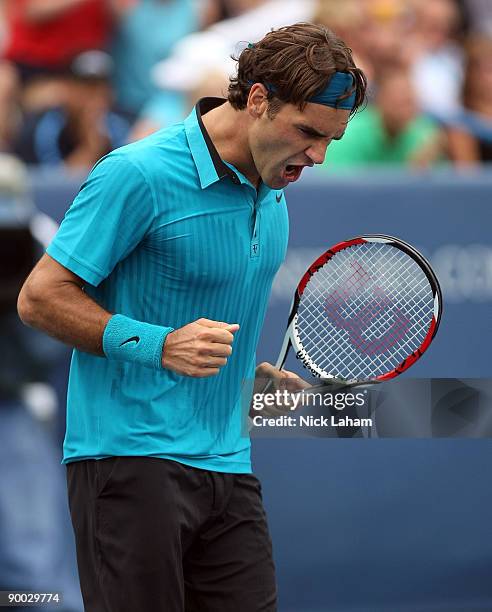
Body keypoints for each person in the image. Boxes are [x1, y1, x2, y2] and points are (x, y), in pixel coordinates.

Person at [17, 22, 366, 612]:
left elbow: (193, 320)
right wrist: (158, 345)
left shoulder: (273, 188)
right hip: (129, 463)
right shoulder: (138, 173)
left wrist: (244, 374)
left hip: (228, 466)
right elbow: (40, 297)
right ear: (257, 100)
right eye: (307, 132)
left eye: (331, 139)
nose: (317, 156)